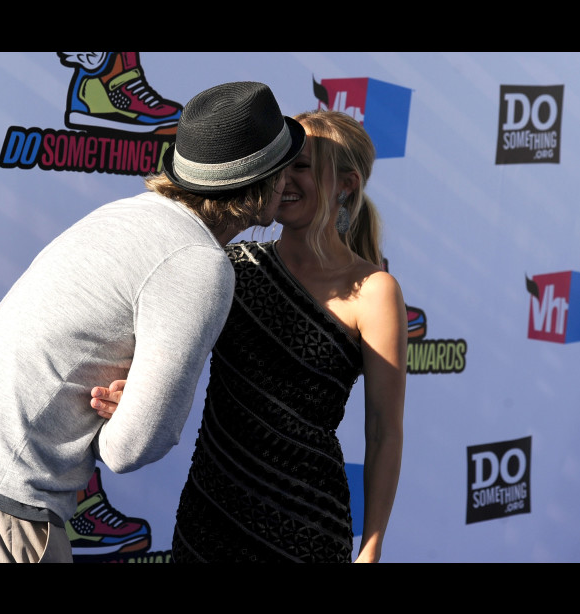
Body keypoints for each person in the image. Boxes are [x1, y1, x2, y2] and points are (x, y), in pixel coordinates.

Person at [0, 81, 306, 563]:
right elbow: (131, 448)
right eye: (287, 167)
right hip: (0, 509)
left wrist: (134, 402)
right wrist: (130, 410)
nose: (291, 181)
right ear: (260, 181)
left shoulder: (130, 215)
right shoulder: (196, 261)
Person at [90, 109, 407, 563]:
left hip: (306, 527)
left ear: (346, 184)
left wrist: (371, 548)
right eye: (281, 165)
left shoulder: (374, 291)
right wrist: (135, 394)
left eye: (302, 166)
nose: (285, 179)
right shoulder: (233, 265)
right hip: (210, 511)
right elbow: (172, 357)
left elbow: (383, 432)